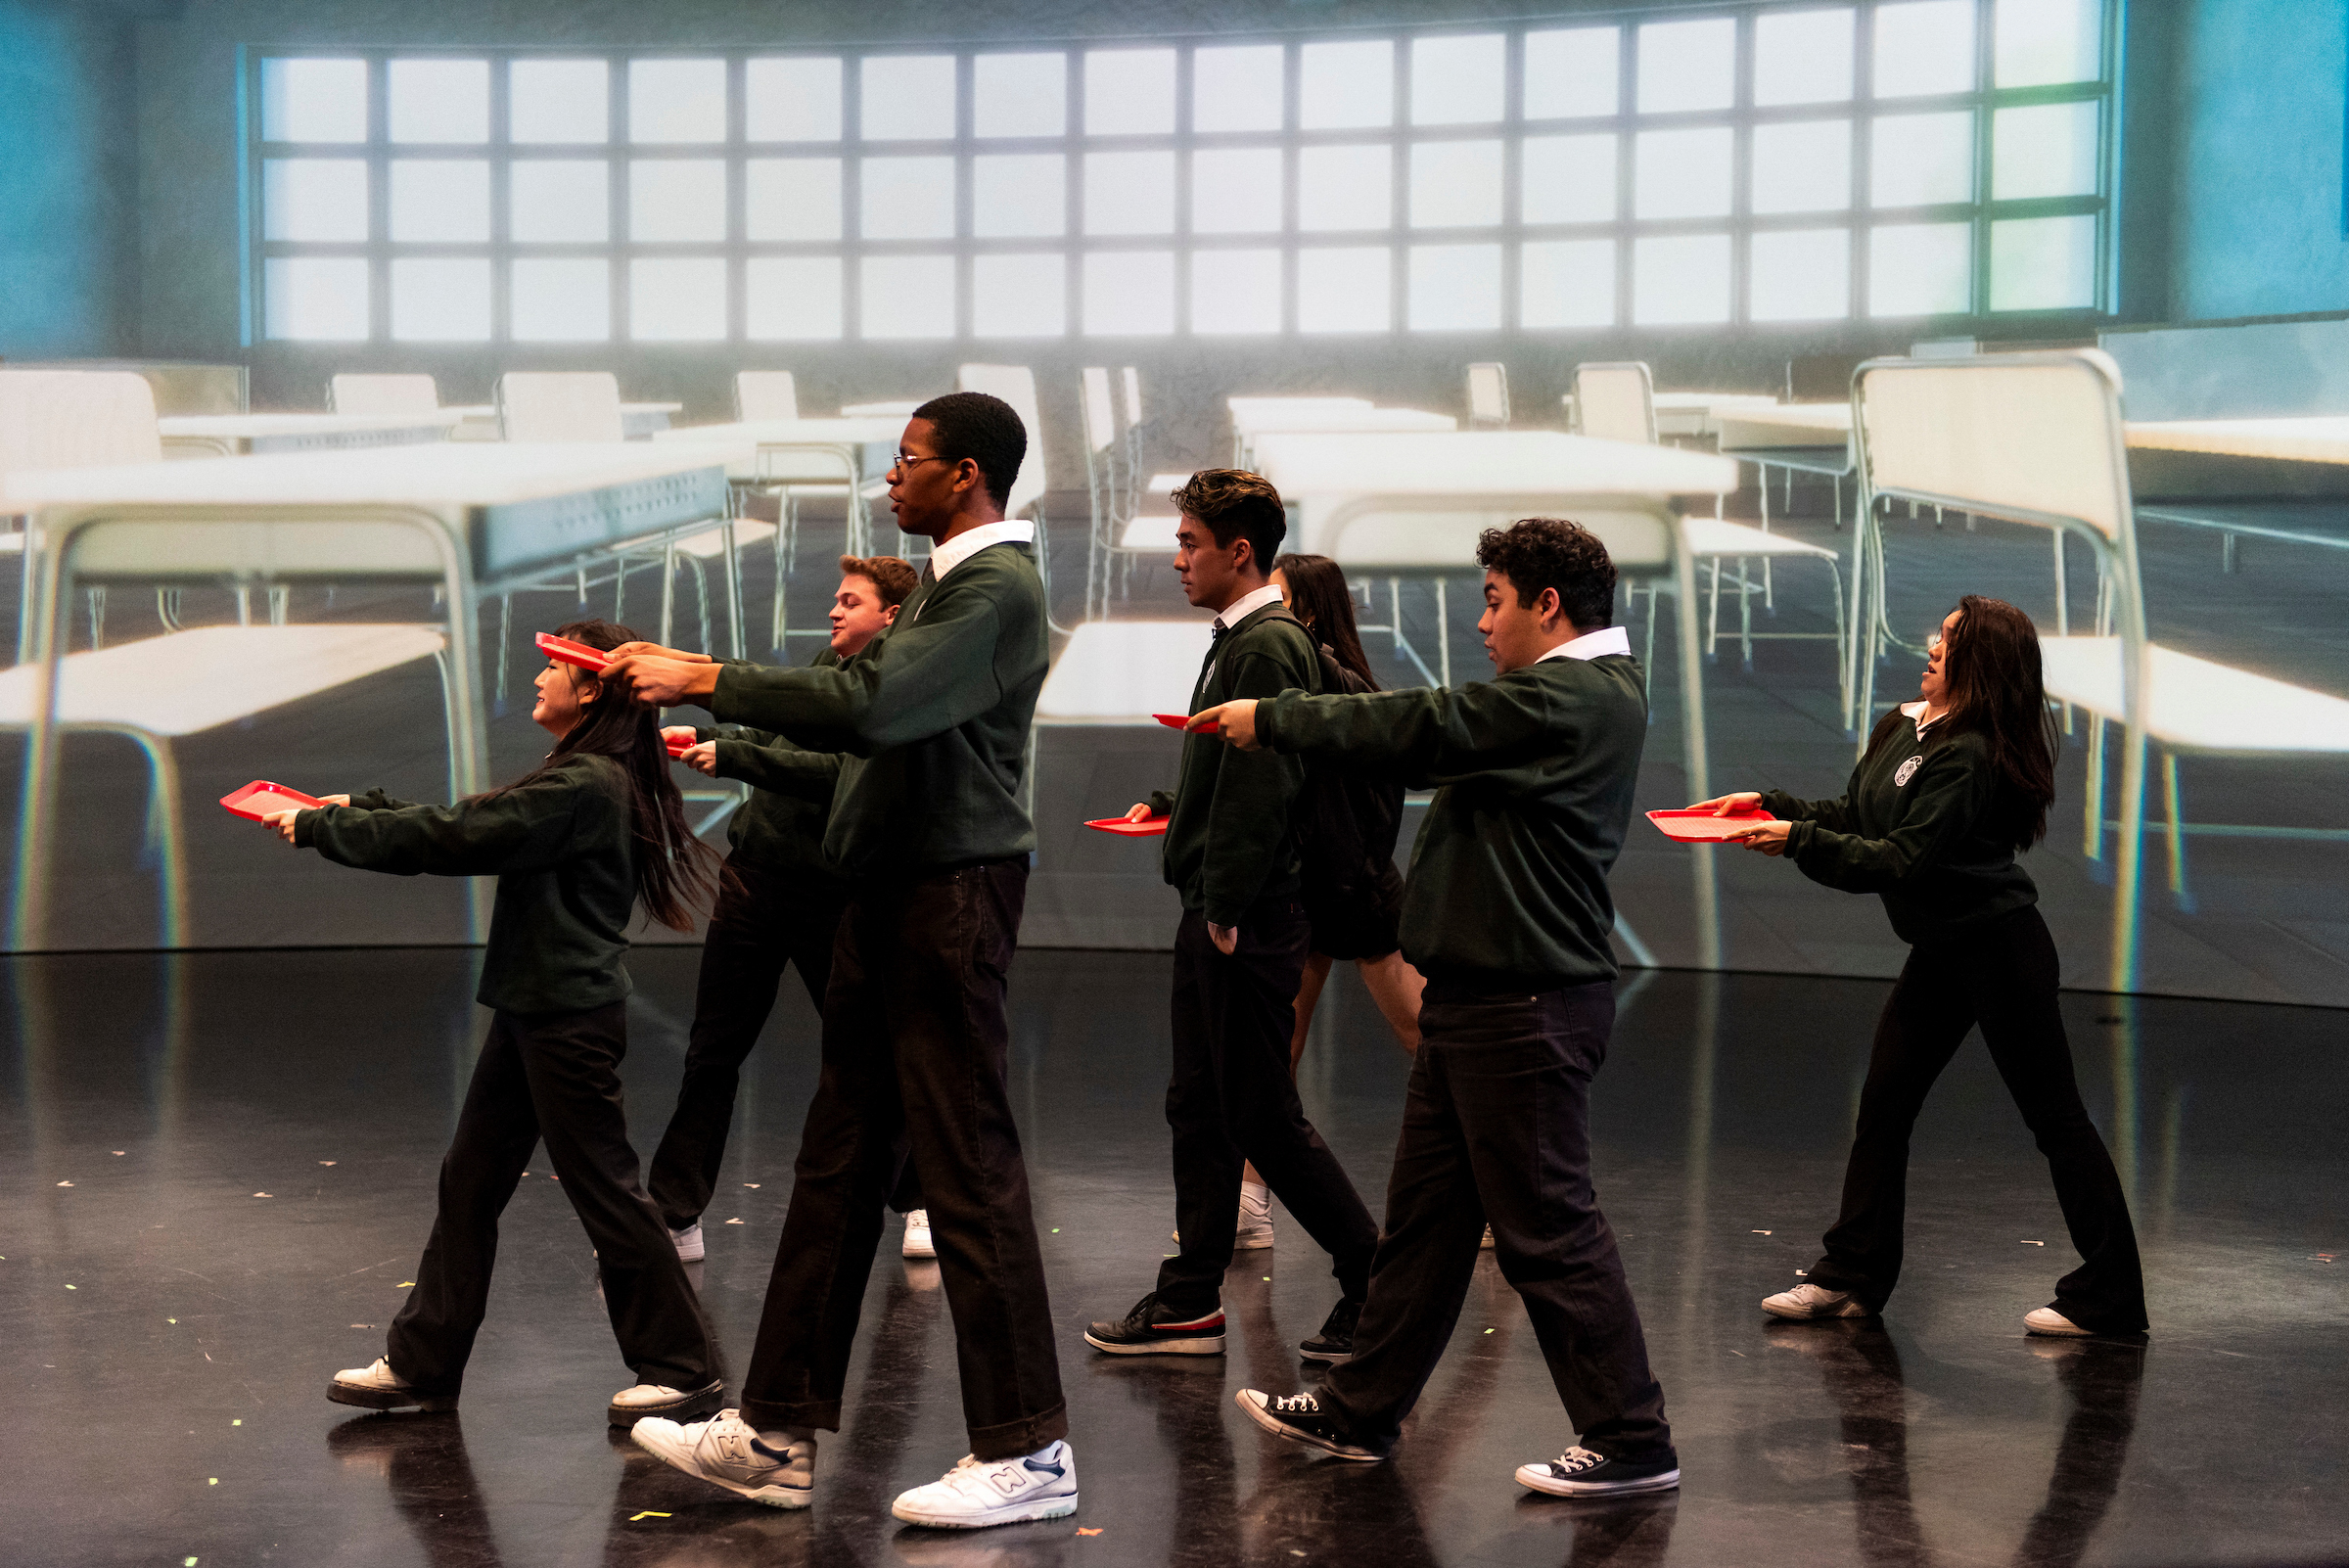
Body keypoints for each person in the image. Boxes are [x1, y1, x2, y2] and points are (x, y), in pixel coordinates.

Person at [602, 392, 1077, 1530]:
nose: (890, 480)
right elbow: (866, 727)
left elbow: (874, 705)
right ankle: (775, 1434)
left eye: (907, 462)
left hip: (948, 899)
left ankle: (1031, 1451)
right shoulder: (951, 586)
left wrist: (706, 677)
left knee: (966, 1170)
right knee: (837, 1164)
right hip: (891, 895)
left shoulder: (995, 587)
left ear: (966, 474)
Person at [1189, 518, 1681, 1500]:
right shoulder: (1561, 695)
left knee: (1548, 1231)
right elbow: (1423, 737)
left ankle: (1632, 1437)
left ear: (1549, 605)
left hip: (1526, 1005)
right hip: (1481, 1001)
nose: (1483, 622)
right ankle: (1360, 1408)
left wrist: (1277, 716)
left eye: (1495, 602)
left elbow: (1426, 727)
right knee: (1424, 1227)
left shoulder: (1574, 694)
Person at [258, 619, 725, 1430]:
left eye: (551, 668)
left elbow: (460, 836)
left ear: (591, 688)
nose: (537, 678)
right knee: (470, 1185)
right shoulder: (582, 773)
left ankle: (682, 1371)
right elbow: (476, 817)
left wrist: (330, 828)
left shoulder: (588, 782)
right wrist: (358, 808)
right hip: (536, 1008)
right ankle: (423, 1364)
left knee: (607, 1193)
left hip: (564, 1019)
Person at [1698, 595, 2147, 1340]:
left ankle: (2113, 1296)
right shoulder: (1904, 725)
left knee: (2055, 1119)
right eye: (1938, 634)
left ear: (1981, 662)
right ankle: (1852, 1276)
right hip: (1943, 948)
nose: (1932, 646)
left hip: (1998, 949)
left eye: (1949, 639)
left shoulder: (1969, 755)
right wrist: (1769, 807)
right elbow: (1858, 815)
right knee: (1884, 1104)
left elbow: (1900, 859)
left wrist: (1796, 840)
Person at [1083, 471, 1380, 1366]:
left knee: (1259, 1116)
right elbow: (1233, 771)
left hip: (1245, 919)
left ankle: (1374, 1282)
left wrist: (1226, 906)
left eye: (1189, 543)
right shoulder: (1246, 639)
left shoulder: (1265, 644)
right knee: (1203, 1106)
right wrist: (1179, 807)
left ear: (1238, 551)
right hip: (1229, 911)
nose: (1177, 559)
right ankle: (1188, 1299)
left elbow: (1265, 789)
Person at [645, 556, 934, 1267]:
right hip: (754, 882)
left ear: (891, 616)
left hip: (831, 893)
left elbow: (841, 777)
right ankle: (676, 1214)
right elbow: (777, 747)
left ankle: (917, 1198)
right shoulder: (827, 664)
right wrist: (713, 743)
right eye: (835, 599)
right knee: (712, 1051)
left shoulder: (898, 692)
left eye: (850, 602)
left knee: (870, 1053)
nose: (834, 611)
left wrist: (735, 758)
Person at [1225, 551, 1428, 1251]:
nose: (1267, 613)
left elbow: (1374, 800)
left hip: (1357, 891)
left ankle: (1497, 1193)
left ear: (1309, 612)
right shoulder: (1287, 686)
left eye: (1279, 601)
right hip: (1303, 893)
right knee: (1276, 1050)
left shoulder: (1347, 693)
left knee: (1429, 1039)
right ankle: (1251, 1201)